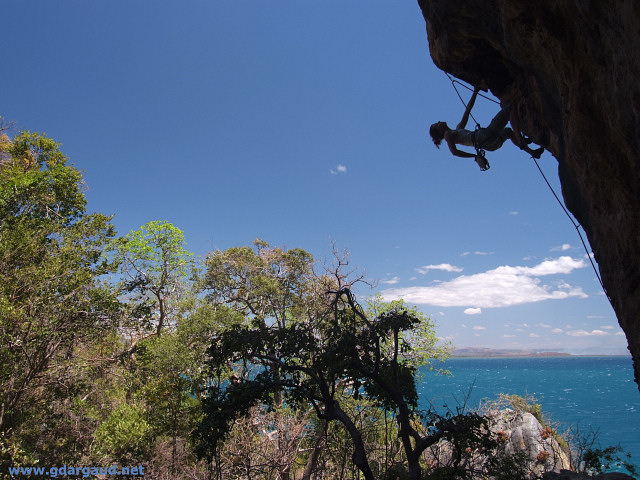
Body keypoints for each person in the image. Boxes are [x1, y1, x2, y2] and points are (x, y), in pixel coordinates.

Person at [429, 86, 544, 169]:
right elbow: (454, 152)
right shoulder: (448, 135)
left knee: (508, 132)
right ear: (439, 130)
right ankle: (520, 139)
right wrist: (475, 156)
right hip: (483, 136)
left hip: (489, 144)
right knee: (510, 108)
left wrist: (475, 91)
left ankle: (532, 152)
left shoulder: (458, 129)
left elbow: (467, 110)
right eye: (437, 124)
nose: (439, 121)